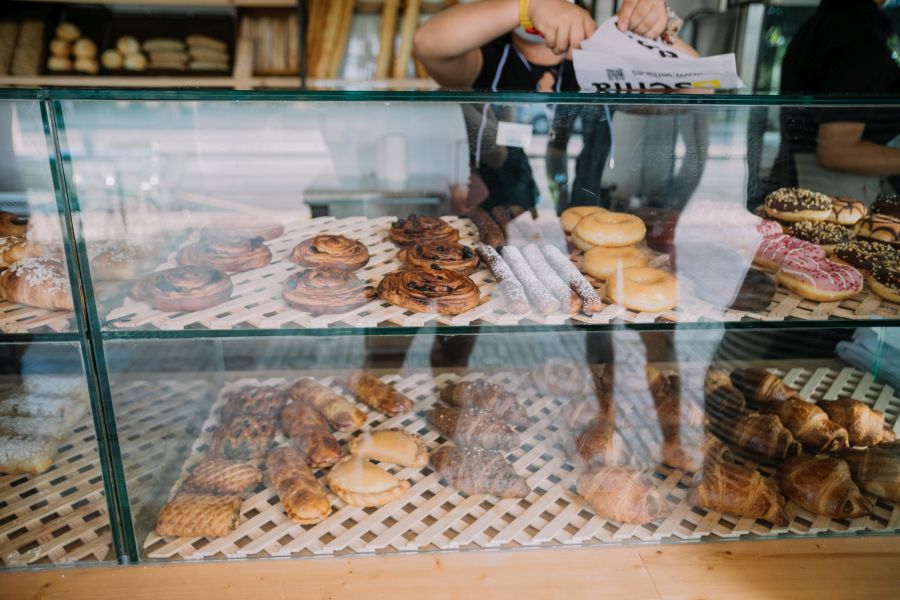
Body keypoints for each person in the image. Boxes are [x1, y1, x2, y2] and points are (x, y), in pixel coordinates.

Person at [774, 0, 900, 203]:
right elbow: (836, 152)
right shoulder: (860, 37)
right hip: (834, 186)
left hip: (804, 175)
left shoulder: (826, 23)